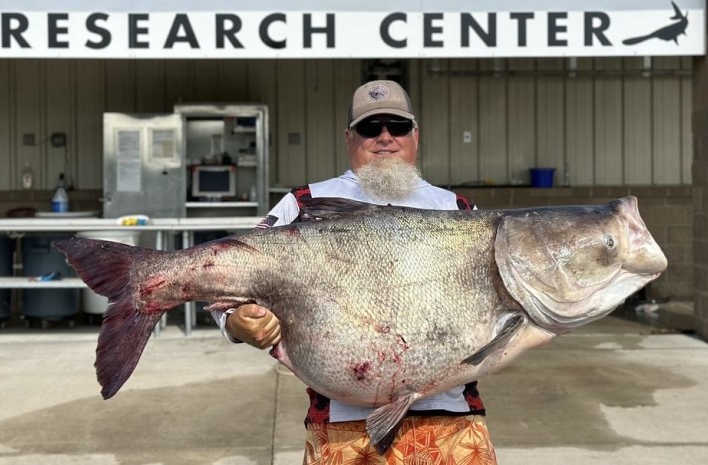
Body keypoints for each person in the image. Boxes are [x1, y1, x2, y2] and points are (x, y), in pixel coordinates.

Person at [212, 80, 498, 464]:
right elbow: (226, 271)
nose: (384, 138)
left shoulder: (458, 209)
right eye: (370, 127)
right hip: (342, 427)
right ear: (349, 137)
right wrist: (234, 322)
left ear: (415, 134)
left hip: (451, 423)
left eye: (396, 126)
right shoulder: (305, 204)